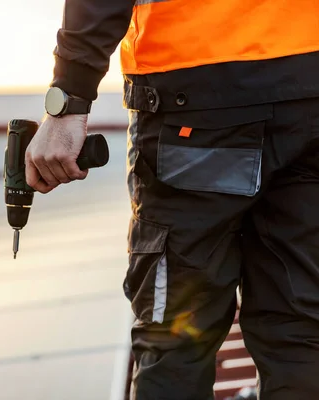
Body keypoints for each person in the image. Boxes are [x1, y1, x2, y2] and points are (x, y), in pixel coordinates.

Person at [25, 1, 319, 399]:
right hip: (309, 90)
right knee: (302, 330)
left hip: (196, 95)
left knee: (176, 336)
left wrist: (68, 99)